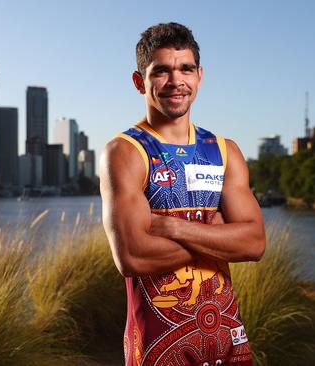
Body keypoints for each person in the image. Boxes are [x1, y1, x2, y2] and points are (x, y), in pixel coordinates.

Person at [100, 22, 265, 366]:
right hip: (159, 344)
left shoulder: (224, 151)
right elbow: (132, 257)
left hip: (227, 338)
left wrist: (175, 228)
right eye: (161, 70)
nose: (176, 81)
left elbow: (253, 243)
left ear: (200, 76)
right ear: (138, 81)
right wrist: (217, 235)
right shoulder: (125, 152)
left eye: (186, 68)